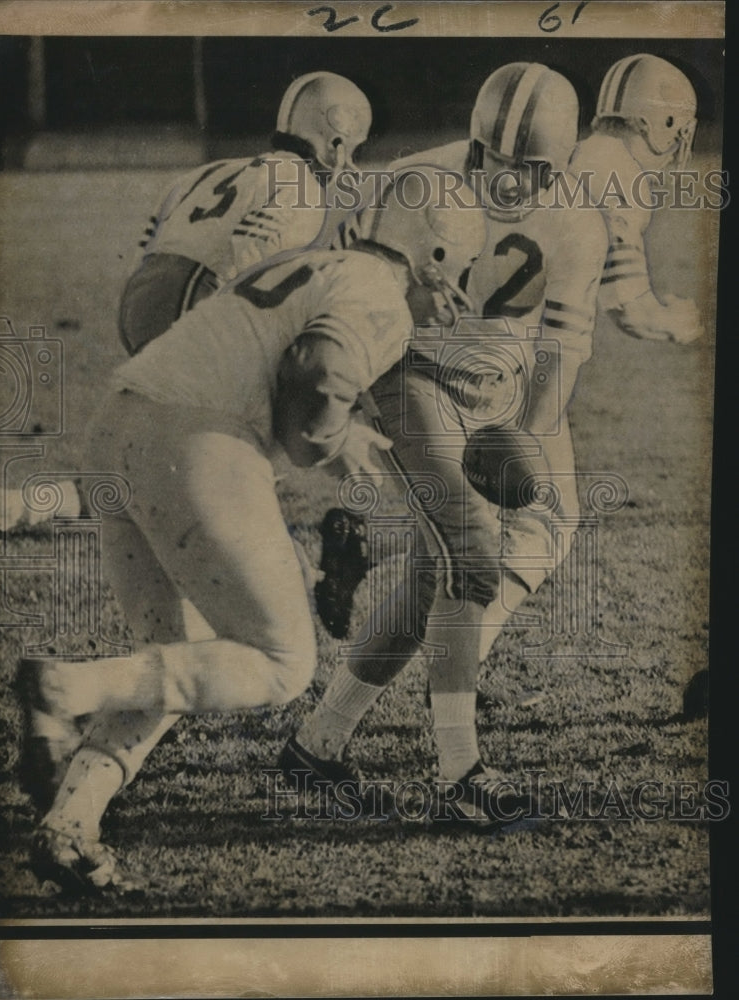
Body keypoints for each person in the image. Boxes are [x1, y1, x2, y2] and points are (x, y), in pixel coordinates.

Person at [16, 170, 486, 893]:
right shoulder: (381, 297)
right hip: (191, 440)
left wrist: (333, 438)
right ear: (436, 256)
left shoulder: (313, 263)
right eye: (460, 274)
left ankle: (71, 824)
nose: (456, 299)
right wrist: (337, 440)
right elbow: (320, 374)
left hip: (120, 422)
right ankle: (64, 689)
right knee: (280, 665)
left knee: (180, 660)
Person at [281, 63, 610, 825]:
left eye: (531, 171)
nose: (510, 183)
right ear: (474, 143)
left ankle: (318, 744)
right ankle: (461, 773)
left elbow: (562, 350)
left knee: (525, 535)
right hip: (407, 369)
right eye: (497, 161)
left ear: (558, 166)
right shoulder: (415, 182)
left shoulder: (578, 222)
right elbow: (349, 289)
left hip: (499, 389)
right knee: (467, 545)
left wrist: (518, 436)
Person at [0, 71, 372, 533]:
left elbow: (150, 248)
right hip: (196, 305)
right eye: (352, 148)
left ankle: (31, 505)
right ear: (335, 141)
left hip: (138, 306)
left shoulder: (210, 170)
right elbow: (248, 270)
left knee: (170, 465)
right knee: (246, 445)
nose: (351, 163)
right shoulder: (302, 189)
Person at [570, 54, 703, 345]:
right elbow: (632, 312)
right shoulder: (620, 177)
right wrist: (677, 322)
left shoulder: (579, 153)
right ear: (663, 124)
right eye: (679, 132)